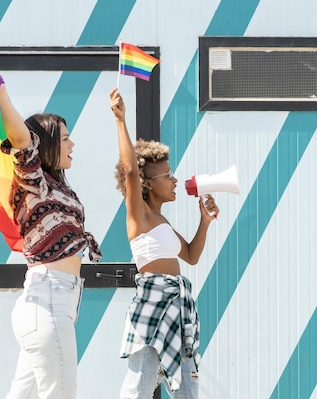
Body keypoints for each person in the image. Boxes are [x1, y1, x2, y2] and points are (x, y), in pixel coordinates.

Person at [0, 65, 101, 399]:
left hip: (51, 303)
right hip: (47, 302)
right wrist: (0, 92)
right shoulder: (33, 183)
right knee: (60, 393)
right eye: (65, 138)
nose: (73, 144)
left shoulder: (55, 186)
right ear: (46, 144)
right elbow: (22, 141)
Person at [109, 88, 219, 399]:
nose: (174, 180)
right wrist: (120, 120)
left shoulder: (163, 222)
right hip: (154, 308)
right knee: (139, 387)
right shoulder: (139, 216)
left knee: (187, 389)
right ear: (147, 184)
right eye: (167, 175)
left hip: (178, 308)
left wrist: (205, 220)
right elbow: (131, 170)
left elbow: (192, 256)